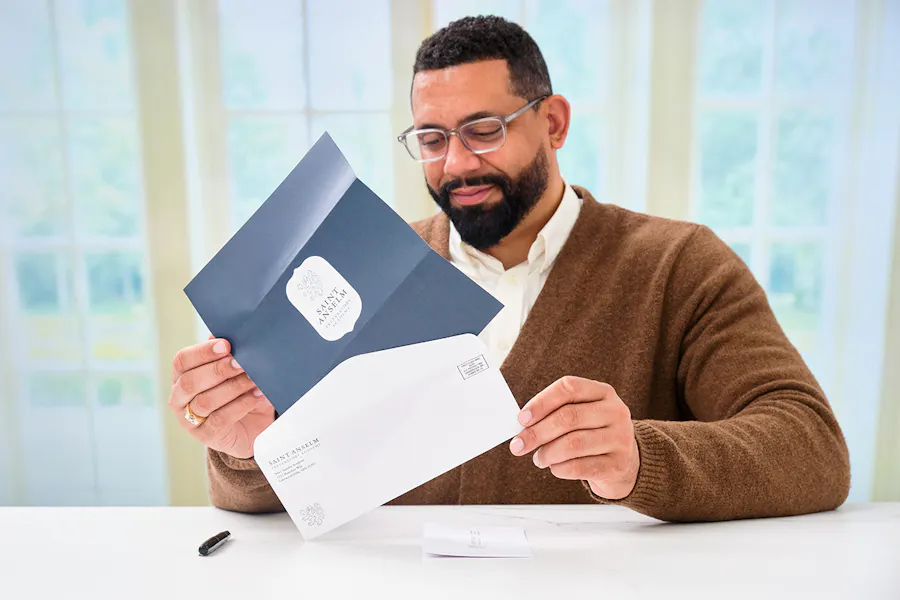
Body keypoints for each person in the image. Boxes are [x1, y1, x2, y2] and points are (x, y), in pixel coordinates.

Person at [167, 15, 850, 521]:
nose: (457, 164)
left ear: (552, 121)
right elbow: (263, 501)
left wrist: (641, 459)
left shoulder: (678, 265)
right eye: (432, 139)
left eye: (484, 129)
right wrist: (245, 450)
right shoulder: (357, 270)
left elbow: (812, 449)